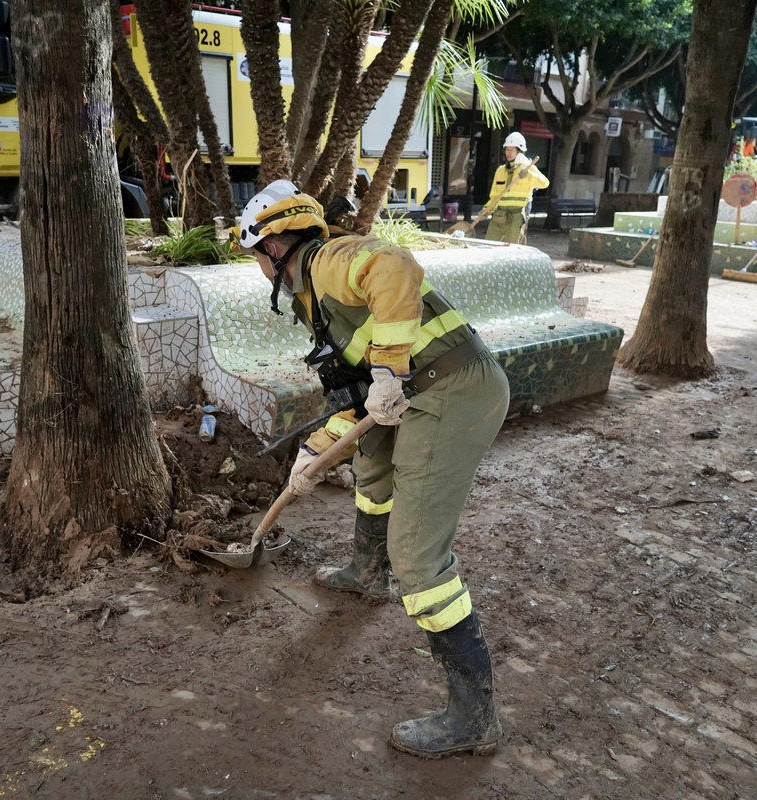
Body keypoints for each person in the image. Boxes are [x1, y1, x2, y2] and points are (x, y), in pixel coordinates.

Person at [237, 179, 511, 758]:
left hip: (452, 390)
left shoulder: (326, 259)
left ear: (275, 244)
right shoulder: (316, 300)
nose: (258, 265)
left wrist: (387, 369)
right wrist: (314, 453)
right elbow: (359, 402)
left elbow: (393, 264)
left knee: (416, 553)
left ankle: (473, 716)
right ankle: (366, 570)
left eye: (256, 252)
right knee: (371, 465)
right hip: (414, 392)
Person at [485, 132, 549, 244]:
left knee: (511, 250)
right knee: (488, 246)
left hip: (516, 217)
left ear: (519, 152)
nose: (508, 153)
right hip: (499, 215)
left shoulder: (527, 168)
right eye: (507, 149)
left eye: (511, 150)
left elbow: (544, 183)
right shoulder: (500, 171)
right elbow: (494, 196)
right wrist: (486, 209)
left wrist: (529, 175)